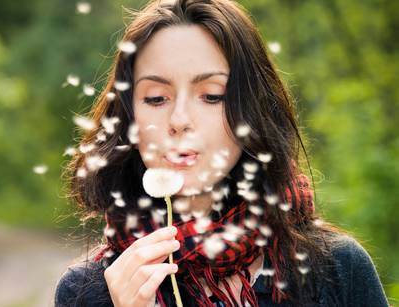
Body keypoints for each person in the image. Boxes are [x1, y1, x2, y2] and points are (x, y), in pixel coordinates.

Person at [55, 0, 389, 306]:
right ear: (129, 118)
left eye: (212, 95)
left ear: (252, 111)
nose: (179, 120)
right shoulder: (89, 291)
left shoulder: (336, 271)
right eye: (156, 98)